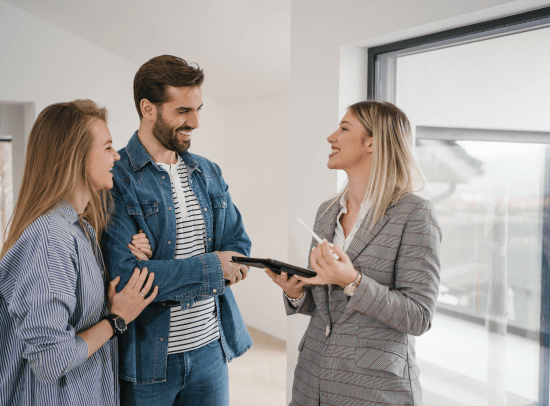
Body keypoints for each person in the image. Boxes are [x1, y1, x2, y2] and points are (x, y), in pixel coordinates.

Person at [266, 101, 442, 406]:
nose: (331, 137)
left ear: (372, 142)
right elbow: (325, 306)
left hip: (372, 390)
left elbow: (419, 317)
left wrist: (353, 281)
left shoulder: (415, 213)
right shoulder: (327, 212)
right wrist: (296, 292)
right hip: (311, 381)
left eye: (344, 128)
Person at [101, 55, 252, 406]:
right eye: (183, 111)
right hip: (148, 361)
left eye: (198, 109)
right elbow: (127, 278)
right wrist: (214, 267)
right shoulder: (116, 178)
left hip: (211, 350)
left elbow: (239, 246)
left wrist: (159, 268)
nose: (195, 122)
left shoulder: (208, 172)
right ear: (148, 108)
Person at [0, 100, 158, 406]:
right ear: (76, 155)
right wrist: (116, 319)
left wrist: (106, 304)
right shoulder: (51, 238)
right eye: (108, 147)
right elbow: (52, 360)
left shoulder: (78, 229)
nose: (117, 156)